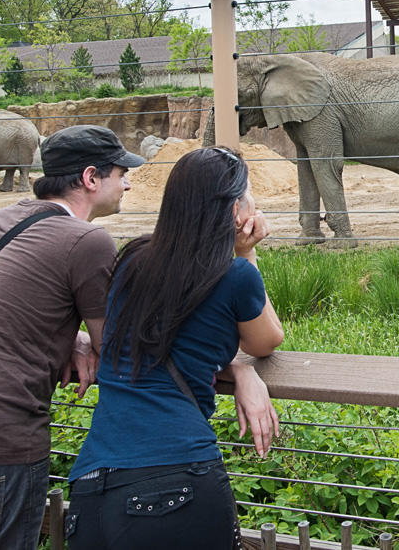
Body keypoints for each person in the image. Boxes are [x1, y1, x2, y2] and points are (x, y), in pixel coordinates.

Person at [0, 126, 273, 549]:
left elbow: (0, 311)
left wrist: (65, 336)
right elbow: (129, 347)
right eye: (121, 172)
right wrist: (239, 367)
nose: (128, 182)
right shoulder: (87, 241)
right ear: (90, 178)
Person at [66, 146, 284, 549]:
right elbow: (267, 340)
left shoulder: (131, 259)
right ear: (235, 209)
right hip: (179, 474)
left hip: (93, 484)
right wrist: (246, 251)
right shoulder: (235, 274)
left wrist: (237, 369)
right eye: (248, 194)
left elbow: (155, 342)